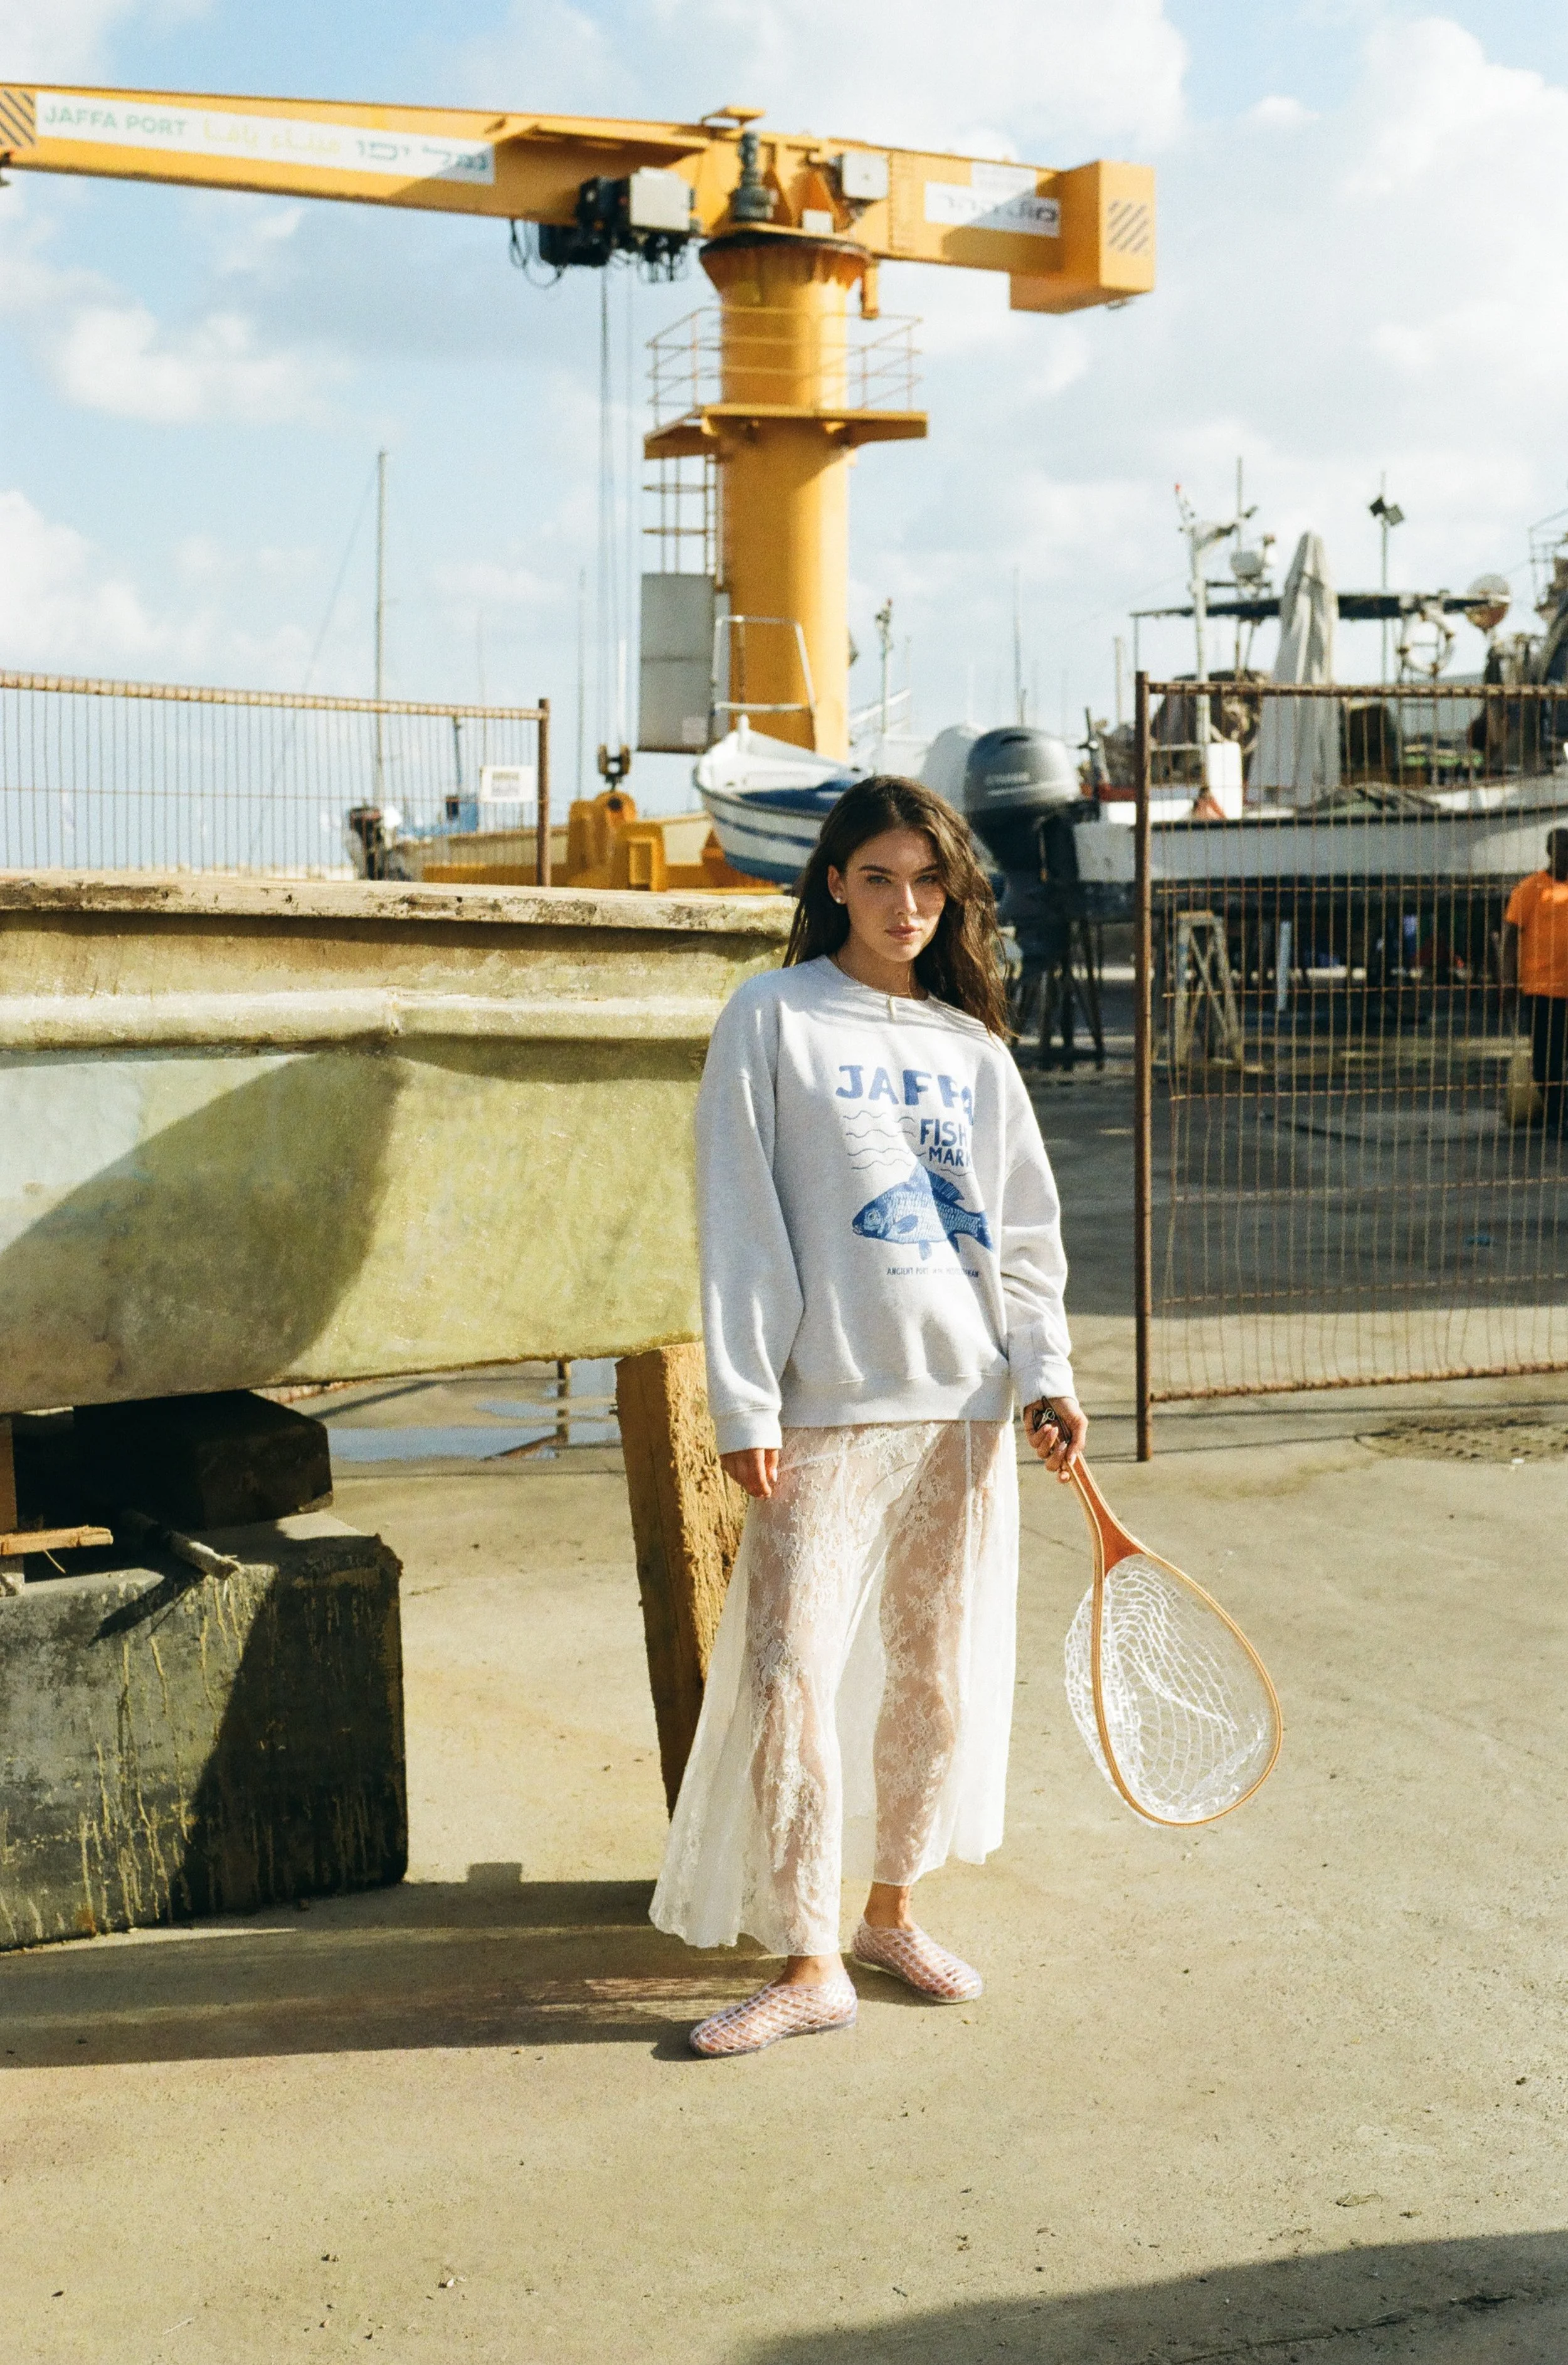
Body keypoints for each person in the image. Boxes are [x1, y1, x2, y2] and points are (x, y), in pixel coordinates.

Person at [651, 776, 1088, 2058]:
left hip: (962, 1409)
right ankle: (808, 1959)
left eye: (928, 881)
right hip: (826, 1407)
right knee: (788, 1676)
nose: (906, 905)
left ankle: (892, 1911)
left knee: (934, 1671)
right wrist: (745, 1395)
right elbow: (739, 1216)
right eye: (880, 877)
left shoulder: (974, 1050)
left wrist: (1046, 1372)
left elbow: (1022, 1236)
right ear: (834, 881)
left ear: (952, 895)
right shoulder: (772, 1015)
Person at [1502, 827, 1568, 1134]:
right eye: (1563, 849)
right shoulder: (1530, 889)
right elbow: (1510, 937)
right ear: (1550, 852)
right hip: (1543, 989)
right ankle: (1555, 1115)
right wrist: (1507, 980)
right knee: (1546, 1057)